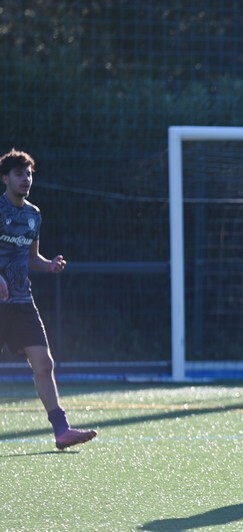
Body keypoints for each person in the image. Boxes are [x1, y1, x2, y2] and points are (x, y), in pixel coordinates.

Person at [0, 148, 98, 449]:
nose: (25, 179)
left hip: (21, 302)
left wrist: (49, 265)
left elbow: (32, 257)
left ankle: (61, 430)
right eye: (19, 174)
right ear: (5, 178)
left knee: (44, 363)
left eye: (28, 174)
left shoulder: (34, 214)